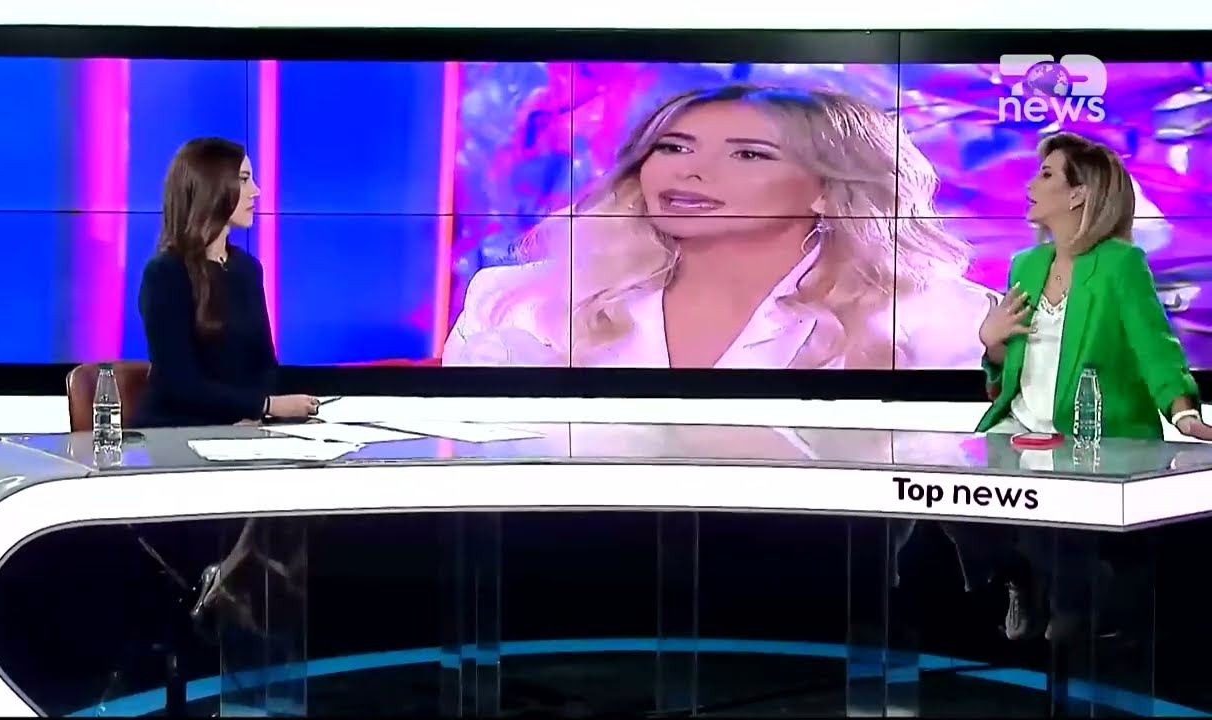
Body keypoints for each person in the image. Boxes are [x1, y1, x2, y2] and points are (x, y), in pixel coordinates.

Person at [443, 84, 995, 370]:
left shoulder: (941, 316)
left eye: (748, 154)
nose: (689, 170)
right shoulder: (516, 301)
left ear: (828, 190)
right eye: (673, 147)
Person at [971, 131, 1211, 641]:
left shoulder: (1120, 265)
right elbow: (1009, 365)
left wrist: (1184, 412)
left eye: (1046, 175)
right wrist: (991, 344)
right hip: (1019, 426)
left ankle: (1081, 604)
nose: (1030, 185)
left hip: (1086, 431)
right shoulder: (1025, 265)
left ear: (1079, 194)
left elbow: (1154, 345)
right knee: (958, 504)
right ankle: (1019, 576)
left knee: (1060, 550)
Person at [133, 137, 317, 428]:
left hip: (243, 428)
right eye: (243, 179)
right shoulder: (165, 273)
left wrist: (253, 415)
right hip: (176, 430)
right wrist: (264, 405)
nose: (256, 190)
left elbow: (264, 365)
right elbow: (178, 385)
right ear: (211, 187)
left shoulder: (247, 268)